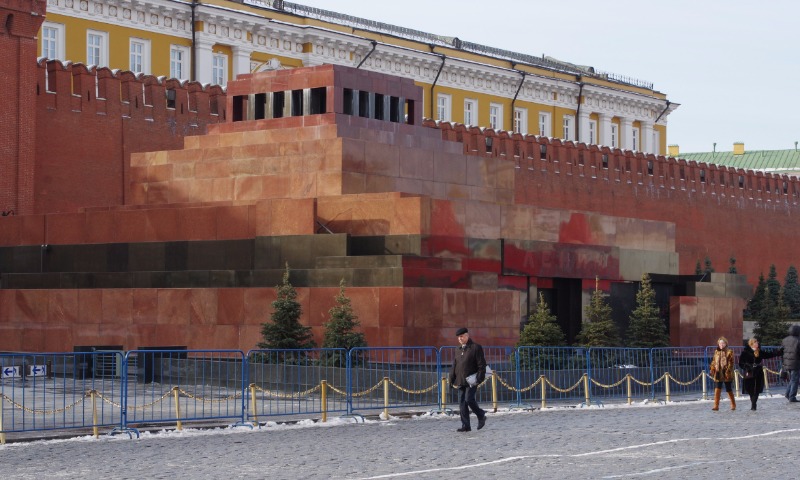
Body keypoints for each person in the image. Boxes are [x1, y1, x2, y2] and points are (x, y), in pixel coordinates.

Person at [449, 327, 487, 432]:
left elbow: (481, 365)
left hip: (472, 380)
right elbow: (455, 365)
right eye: (458, 337)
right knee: (462, 404)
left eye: (461, 336)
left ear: (467, 336)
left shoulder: (475, 347)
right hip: (461, 379)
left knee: (469, 399)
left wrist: (479, 378)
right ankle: (466, 425)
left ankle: (481, 415)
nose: (460, 339)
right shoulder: (458, 349)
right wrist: (451, 378)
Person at [738, 338, 782, 411]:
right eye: (755, 343)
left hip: (758, 372)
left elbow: (768, 355)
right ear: (751, 344)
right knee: (750, 389)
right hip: (749, 372)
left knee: (756, 390)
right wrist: (748, 367)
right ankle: (753, 402)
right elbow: (741, 363)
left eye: (757, 343)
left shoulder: (759, 352)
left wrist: (778, 352)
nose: (757, 344)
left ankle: (754, 405)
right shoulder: (745, 353)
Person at [709, 336, 736, 411]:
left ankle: (733, 404)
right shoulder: (716, 352)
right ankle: (716, 405)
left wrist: (728, 370)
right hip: (718, 372)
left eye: (723, 343)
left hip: (726, 372)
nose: (721, 345)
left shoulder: (729, 351)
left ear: (726, 344)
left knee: (728, 389)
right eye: (720, 343)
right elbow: (714, 361)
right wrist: (712, 368)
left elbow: (731, 363)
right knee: (717, 388)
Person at [781, 324, 800, 402]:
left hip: (786, 363)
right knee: (794, 380)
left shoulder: (785, 340)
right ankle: (792, 396)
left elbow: (782, 350)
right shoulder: (798, 340)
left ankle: (788, 394)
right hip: (795, 362)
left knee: (792, 379)